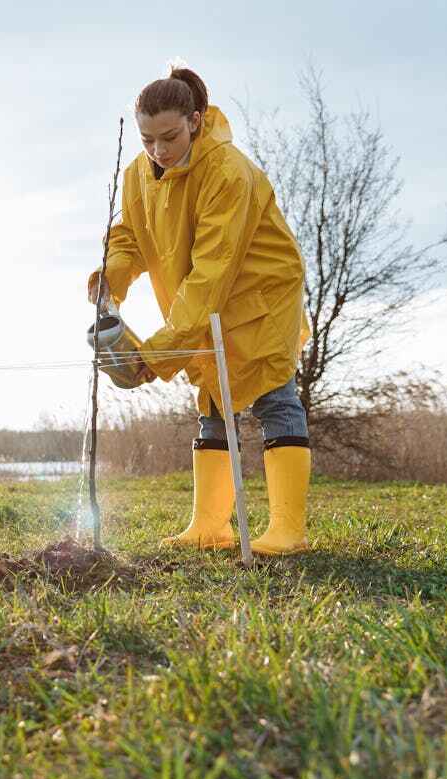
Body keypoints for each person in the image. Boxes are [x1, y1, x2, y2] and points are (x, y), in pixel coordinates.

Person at [86, 63, 312, 556]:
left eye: (168, 137)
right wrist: (112, 276)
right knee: (211, 400)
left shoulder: (228, 172)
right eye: (147, 140)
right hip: (203, 297)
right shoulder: (138, 175)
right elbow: (130, 237)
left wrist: (158, 353)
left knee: (274, 397)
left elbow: (213, 271)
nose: (158, 151)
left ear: (195, 119)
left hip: (259, 295)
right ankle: (210, 525)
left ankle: (288, 530)